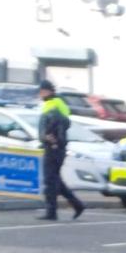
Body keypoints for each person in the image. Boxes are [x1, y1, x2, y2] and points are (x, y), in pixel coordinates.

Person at [37, 80, 85, 221]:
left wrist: (52, 139)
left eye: (41, 91)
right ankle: (77, 205)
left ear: (48, 91)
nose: (40, 94)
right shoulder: (56, 103)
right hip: (56, 148)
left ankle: (51, 212)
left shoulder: (53, 105)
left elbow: (58, 124)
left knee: (50, 180)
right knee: (56, 180)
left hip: (53, 148)